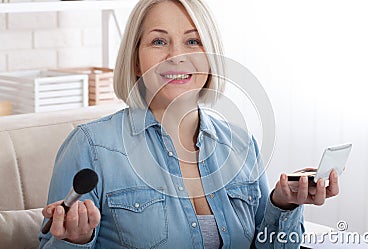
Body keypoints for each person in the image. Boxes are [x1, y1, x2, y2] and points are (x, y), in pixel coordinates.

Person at [38, 0, 339, 248]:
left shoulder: (241, 145)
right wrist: (76, 240)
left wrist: (283, 204)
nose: (177, 56)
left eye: (192, 41)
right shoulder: (90, 147)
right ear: (135, 60)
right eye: (159, 41)